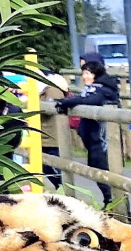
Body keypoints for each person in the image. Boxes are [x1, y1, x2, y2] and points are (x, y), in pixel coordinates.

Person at [49, 52, 118, 203]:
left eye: (88, 72)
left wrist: (66, 102)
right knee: (95, 168)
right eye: (83, 72)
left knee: (102, 169)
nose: (85, 76)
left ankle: (111, 201)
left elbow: (91, 100)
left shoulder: (103, 89)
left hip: (101, 139)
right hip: (92, 137)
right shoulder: (94, 87)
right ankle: (109, 201)